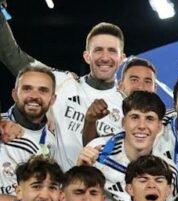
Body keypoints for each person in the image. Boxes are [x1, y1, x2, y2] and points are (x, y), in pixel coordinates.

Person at [0, 18, 126, 169]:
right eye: (98, 50)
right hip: (52, 180)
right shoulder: (62, 82)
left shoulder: (127, 108)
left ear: (121, 58)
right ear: (87, 56)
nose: (105, 57)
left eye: (112, 51)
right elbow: (13, 56)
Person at [77, 90, 176, 201]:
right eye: (135, 117)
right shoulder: (97, 151)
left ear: (159, 127)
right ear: (123, 122)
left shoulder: (169, 170)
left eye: (149, 119)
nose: (141, 126)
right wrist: (80, 171)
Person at [82, 58, 159, 146]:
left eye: (147, 81)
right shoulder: (99, 108)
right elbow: (93, 148)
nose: (141, 87)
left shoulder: (161, 120)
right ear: (120, 85)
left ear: (155, 88)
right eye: (134, 80)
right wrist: (90, 122)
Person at [5, 64, 57, 157]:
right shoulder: (2, 127)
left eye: (43, 90)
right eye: (27, 89)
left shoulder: (51, 140)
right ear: (14, 95)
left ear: (52, 100)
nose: (34, 96)